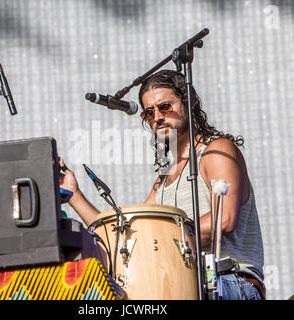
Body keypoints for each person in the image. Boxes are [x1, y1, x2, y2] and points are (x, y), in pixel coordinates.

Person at [59, 70, 265, 300]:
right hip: (180, 283)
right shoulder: (165, 176)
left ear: (190, 103)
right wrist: (73, 193)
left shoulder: (216, 151)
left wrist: (164, 238)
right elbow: (122, 238)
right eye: (149, 112)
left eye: (165, 106)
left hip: (228, 282)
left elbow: (223, 220)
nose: (157, 116)